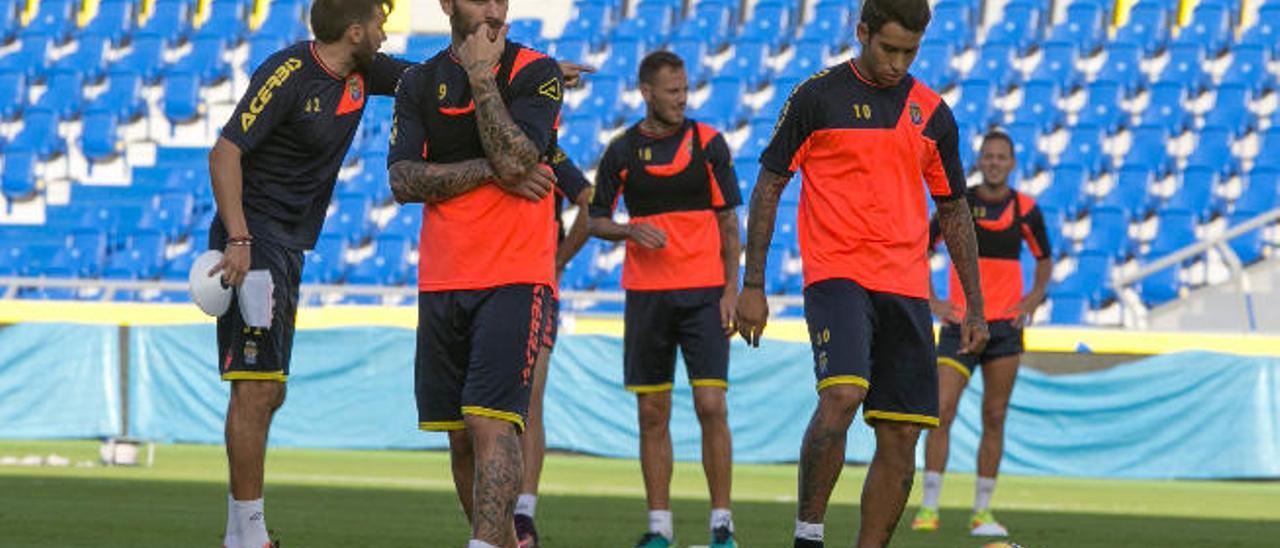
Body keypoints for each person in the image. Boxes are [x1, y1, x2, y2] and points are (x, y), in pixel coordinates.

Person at [734, 0, 991, 546]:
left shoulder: (932, 113)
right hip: (837, 275)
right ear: (862, 33)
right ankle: (808, 535)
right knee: (844, 393)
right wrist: (752, 284)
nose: (898, 63)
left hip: (904, 285)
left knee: (901, 435)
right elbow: (769, 185)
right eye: (888, 49)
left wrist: (975, 302)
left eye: (910, 53)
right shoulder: (816, 97)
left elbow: (953, 208)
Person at [205, 1, 409, 546]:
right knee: (256, 387)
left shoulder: (369, 69)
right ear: (355, 31)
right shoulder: (288, 72)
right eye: (381, 23)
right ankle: (251, 535)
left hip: (289, 246)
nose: (387, 32)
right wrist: (239, 240)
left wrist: (535, 75)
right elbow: (224, 153)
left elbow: (437, 78)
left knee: (270, 392)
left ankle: (237, 534)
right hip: (255, 238)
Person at [385, 0, 563, 545]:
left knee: (492, 420)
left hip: (516, 271)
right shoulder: (418, 82)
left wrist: (483, 77)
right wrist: (491, 170)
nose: (492, 6)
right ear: (445, 4)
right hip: (443, 275)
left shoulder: (537, 71)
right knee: (460, 439)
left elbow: (520, 158)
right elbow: (403, 180)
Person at [588, 51, 742, 548]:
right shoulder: (622, 150)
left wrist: (731, 290)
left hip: (704, 296)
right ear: (646, 92)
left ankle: (722, 525)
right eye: (672, 91)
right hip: (647, 297)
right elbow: (594, 220)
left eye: (684, 89)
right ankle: (660, 529)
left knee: (710, 404)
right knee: (652, 413)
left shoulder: (708, 143)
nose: (682, 98)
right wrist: (630, 230)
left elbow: (728, 223)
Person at [911, 130, 1053, 537]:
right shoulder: (961, 204)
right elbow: (921, 247)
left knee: (995, 415)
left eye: (1001, 156)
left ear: (1011, 163)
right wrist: (934, 301)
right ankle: (930, 505)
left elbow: (1044, 261)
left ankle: (982, 511)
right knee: (941, 410)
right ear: (980, 161)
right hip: (960, 326)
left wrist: (1032, 299)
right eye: (988, 156)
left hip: (1005, 328)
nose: (993, 162)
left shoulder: (1026, 209)